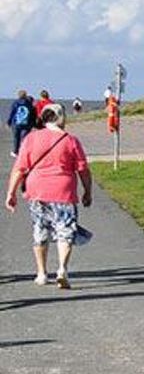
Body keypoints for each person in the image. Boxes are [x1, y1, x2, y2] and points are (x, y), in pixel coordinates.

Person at [6, 104, 93, 288]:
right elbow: (83, 169)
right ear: (61, 118)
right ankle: (62, 269)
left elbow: (19, 168)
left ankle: (41, 273)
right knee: (65, 231)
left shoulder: (31, 138)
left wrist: (11, 193)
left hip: (37, 191)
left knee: (40, 230)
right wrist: (87, 191)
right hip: (64, 191)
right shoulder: (70, 140)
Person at [7, 89, 32, 154]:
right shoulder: (29, 103)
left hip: (16, 123)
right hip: (26, 123)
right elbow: (32, 113)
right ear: (25, 95)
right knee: (24, 138)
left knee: (16, 138)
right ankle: (23, 151)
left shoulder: (15, 103)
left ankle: (15, 151)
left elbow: (12, 113)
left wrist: (9, 122)